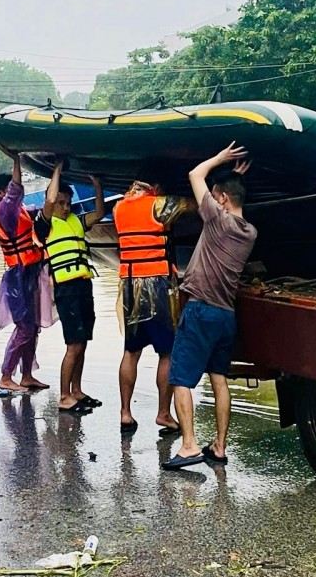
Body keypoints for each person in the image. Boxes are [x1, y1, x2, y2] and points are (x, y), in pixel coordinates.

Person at [163, 143, 257, 471]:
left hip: (201, 310)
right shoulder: (249, 232)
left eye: (216, 196)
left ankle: (189, 447)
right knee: (219, 380)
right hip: (225, 316)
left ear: (222, 200)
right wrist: (230, 179)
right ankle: (218, 446)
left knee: (181, 379)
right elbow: (228, 196)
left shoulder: (217, 220)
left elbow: (195, 174)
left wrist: (219, 159)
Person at [113, 168, 195, 435]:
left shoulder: (118, 208)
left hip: (129, 284)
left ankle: (125, 413)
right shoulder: (158, 204)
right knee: (167, 352)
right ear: (155, 186)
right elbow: (195, 204)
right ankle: (163, 414)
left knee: (131, 351)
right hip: (157, 284)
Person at [35, 160, 105, 414]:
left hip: (83, 287)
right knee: (73, 345)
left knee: (83, 341)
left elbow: (98, 213)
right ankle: (64, 396)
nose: (64, 207)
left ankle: (77, 390)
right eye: (60, 203)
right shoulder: (46, 224)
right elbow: (51, 198)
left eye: (67, 203)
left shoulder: (75, 220)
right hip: (66, 291)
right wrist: (57, 170)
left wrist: (97, 185)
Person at [0, 153, 54, 393]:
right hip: (17, 277)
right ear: (1, 193)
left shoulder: (20, 211)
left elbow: (43, 209)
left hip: (30, 272)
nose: (16, 192)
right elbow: (16, 189)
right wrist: (16, 160)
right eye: (8, 190)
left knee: (33, 326)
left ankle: (27, 375)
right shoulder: (4, 211)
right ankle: (6, 376)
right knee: (25, 327)